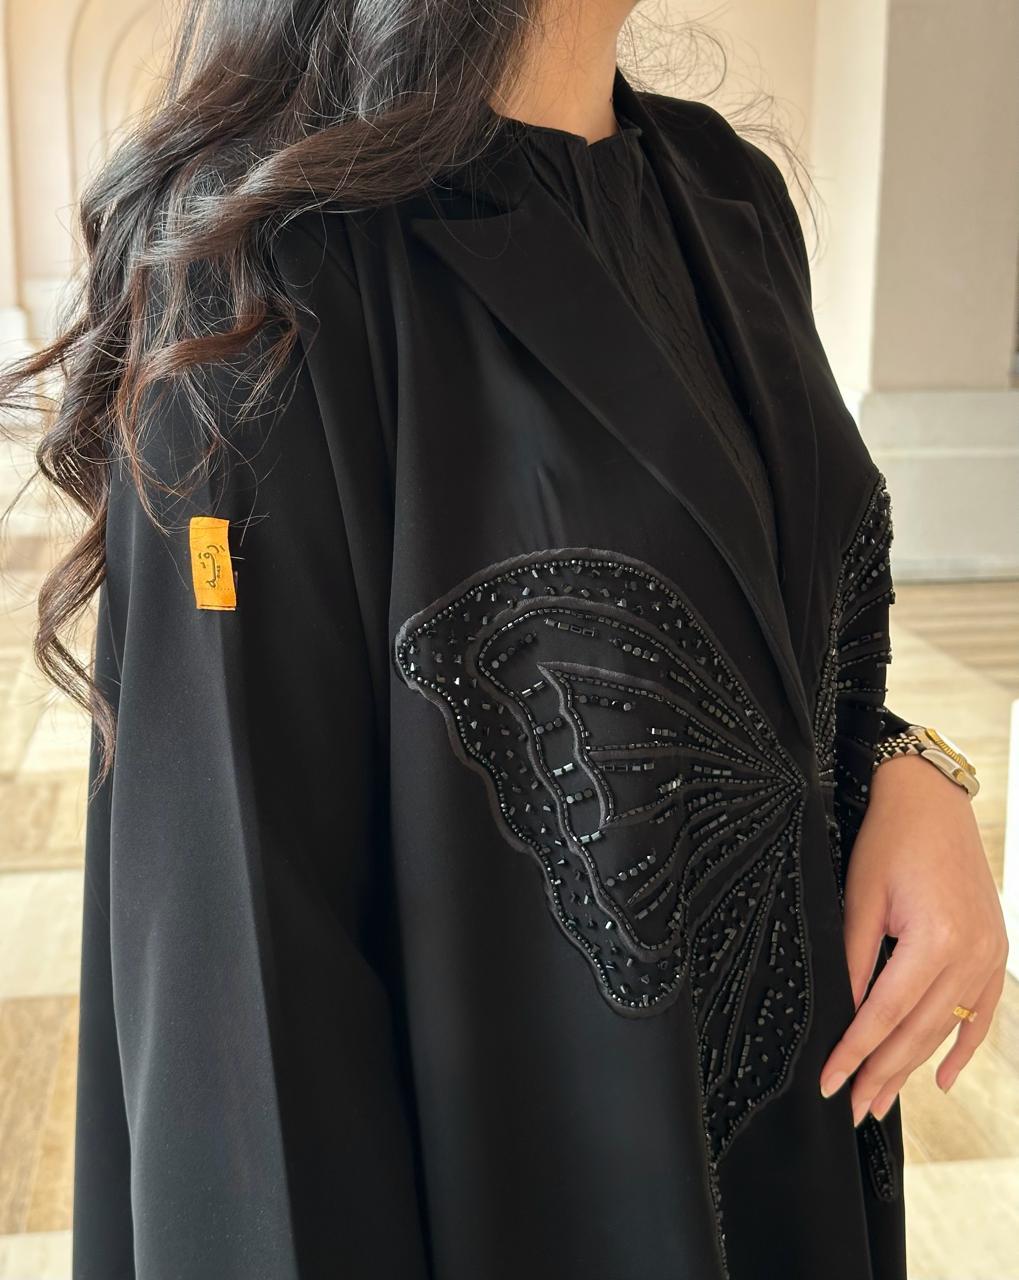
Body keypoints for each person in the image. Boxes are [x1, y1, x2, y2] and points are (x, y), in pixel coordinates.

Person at [0, 1, 1007, 1277]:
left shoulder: (727, 198)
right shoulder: (265, 283)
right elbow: (239, 1014)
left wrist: (906, 767)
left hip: (792, 1138)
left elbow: (764, 637)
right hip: (525, 1197)